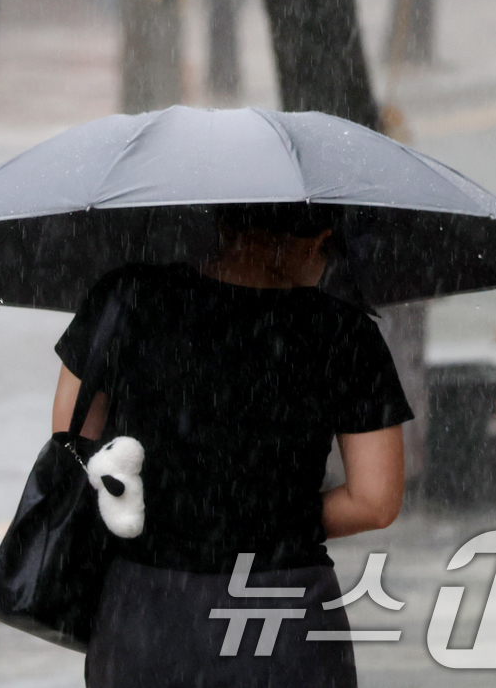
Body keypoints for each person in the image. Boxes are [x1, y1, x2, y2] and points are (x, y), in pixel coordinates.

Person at [52, 204, 408, 687]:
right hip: (284, 610)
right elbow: (375, 500)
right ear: (316, 238)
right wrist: (269, 514)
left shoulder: (127, 298)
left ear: (219, 223)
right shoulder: (344, 332)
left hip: (148, 607)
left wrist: (172, 502)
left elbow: (71, 443)